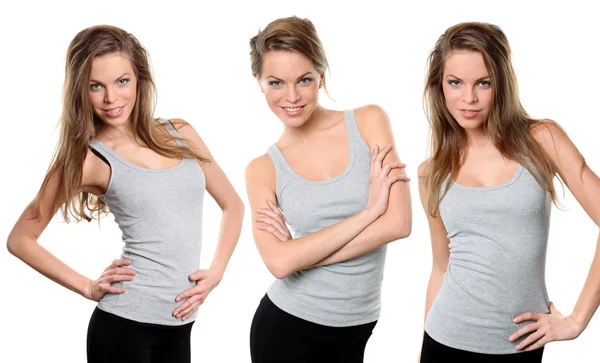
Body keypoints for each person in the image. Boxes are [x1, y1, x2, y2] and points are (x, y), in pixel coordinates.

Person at [6, 25, 244, 363]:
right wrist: (88, 286)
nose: (111, 98)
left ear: (139, 79)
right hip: (124, 327)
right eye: (96, 86)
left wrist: (216, 273)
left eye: (122, 81)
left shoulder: (180, 132)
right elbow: (20, 239)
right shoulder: (89, 158)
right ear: (80, 90)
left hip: (181, 324)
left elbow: (232, 204)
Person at [418, 22, 600, 362]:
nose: (468, 98)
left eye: (482, 83)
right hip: (443, 339)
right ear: (439, 86)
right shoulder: (432, 172)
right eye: (455, 83)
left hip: (519, 343)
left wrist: (576, 322)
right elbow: (440, 268)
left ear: (500, 83)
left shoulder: (541, 140)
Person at [245, 16, 412, 363]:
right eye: (276, 82)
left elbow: (398, 223)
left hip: (358, 327)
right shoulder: (262, 169)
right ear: (259, 82)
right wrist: (369, 213)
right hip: (286, 327)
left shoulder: (368, 121)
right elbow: (278, 263)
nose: (291, 97)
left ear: (321, 76)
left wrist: (303, 256)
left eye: (304, 80)